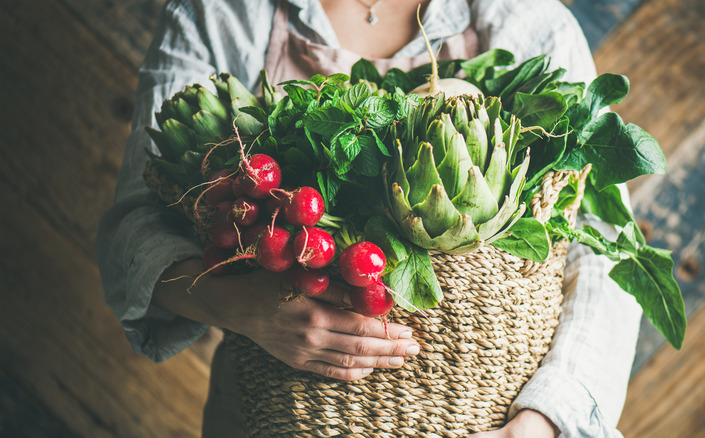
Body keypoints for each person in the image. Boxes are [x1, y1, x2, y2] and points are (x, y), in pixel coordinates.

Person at [96, 0, 643, 436]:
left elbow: (600, 254)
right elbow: (134, 229)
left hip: (494, 422)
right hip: (274, 416)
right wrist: (243, 307)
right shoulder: (219, 13)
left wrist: (541, 424)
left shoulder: (533, 23)